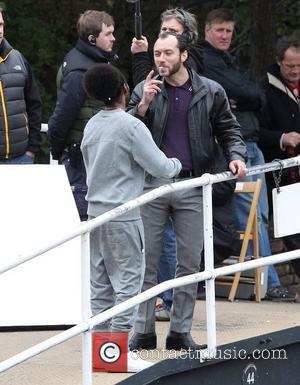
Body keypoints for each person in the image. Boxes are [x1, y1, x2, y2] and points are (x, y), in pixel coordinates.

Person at [127, 32, 247, 351]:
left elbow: (230, 130)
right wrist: (142, 107)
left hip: (194, 183)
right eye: (156, 54)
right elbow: (124, 134)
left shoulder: (210, 90)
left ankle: (180, 331)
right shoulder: (144, 89)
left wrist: (236, 157)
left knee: (190, 261)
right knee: (146, 261)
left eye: (167, 53)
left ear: (183, 55)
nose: (161, 60)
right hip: (152, 185)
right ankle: (143, 329)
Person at [81, 63, 181, 371]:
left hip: (95, 214)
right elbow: (161, 167)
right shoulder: (131, 126)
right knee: (128, 284)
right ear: (125, 89)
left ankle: (103, 355)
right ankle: (119, 354)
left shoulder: (91, 125)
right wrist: (178, 164)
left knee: (100, 287)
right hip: (124, 215)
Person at [201, 8, 296, 301]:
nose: (225, 36)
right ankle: (267, 283)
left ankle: (266, 280)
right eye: (220, 30)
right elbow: (246, 93)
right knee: (249, 215)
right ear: (206, 31)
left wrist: (243, 97)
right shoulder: (203, 59)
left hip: (251, 142)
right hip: (234, 145)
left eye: (229, 30)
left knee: (260, 214)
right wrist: (245, 96)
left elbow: (256, 93)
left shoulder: (230, 60)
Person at [48, 10, 118, 220]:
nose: (114, 38)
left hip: (93, 153)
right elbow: (62, 117)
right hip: (81, 156)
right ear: (92, 38)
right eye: (108, 33)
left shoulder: (94, 60)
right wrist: (60, 150)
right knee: (84, 224)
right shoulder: (80, 70)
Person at [260, 35, 300, 281]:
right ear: (278, 62)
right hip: (282, 172)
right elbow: (256, 132)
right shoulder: (264, 89)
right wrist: (281, 137)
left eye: (299, 65)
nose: (296, 70)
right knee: (294, 231)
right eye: (290, 66)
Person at [0, 7, 41, 164]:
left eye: (1, 24)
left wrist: (32, 149)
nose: (0, 30)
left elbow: (34, 105)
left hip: (22, 158)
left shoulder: (18, 58)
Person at [131, 7, 203, 87]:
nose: (166, 34)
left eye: (173, 31)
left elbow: (147, 88)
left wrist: (140, 54)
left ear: (188, 36)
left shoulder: (187, 60)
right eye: (164, 29)